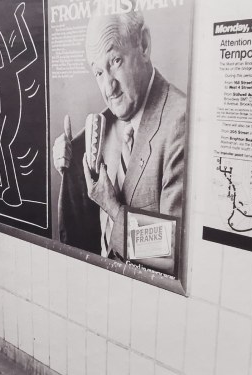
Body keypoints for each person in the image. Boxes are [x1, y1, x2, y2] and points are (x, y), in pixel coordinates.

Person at [53, 6, 185, 275]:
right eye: (99, 73)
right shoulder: (101, 125)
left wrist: (113, 207)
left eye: (115, 61)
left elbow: (172, 254)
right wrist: (70, 170)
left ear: (144, 45)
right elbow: (80, 225)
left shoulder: (179, 122)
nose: (109, 88)